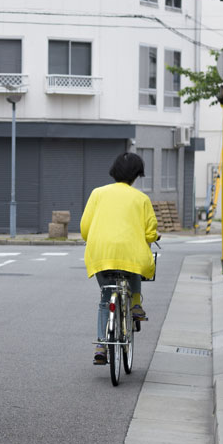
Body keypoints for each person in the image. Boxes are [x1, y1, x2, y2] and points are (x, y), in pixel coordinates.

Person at [80, 152, 159, 366]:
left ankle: (101, 346)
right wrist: (153, 237)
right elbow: (150, 232)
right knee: (132, 263)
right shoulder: (141, 198)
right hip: (129, 255)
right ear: (136, 175)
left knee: (106, 299)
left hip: (101, 254)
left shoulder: (97, 193)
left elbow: (85, 229)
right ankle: (135, 304)